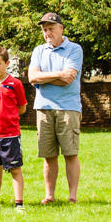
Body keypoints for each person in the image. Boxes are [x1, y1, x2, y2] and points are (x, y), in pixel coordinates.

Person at [28, 12, 83, 204]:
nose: (47, 33)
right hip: (43, 107)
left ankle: (72, 196)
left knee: (70, 153)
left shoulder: (74, 49)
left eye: (51, 29)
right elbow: (32, 77)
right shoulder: (39, 51)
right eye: (44, 30)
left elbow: (69, 80)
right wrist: (58, 75)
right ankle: (49, 195)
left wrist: (45, 78)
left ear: (61, 28)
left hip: (68, 107)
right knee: (48, 154)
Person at [0, 46, 27, 212]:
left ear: (7, 63)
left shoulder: (15, 84)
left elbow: (22, 107)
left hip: (10, 133)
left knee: (15, 169)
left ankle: (19, 204)